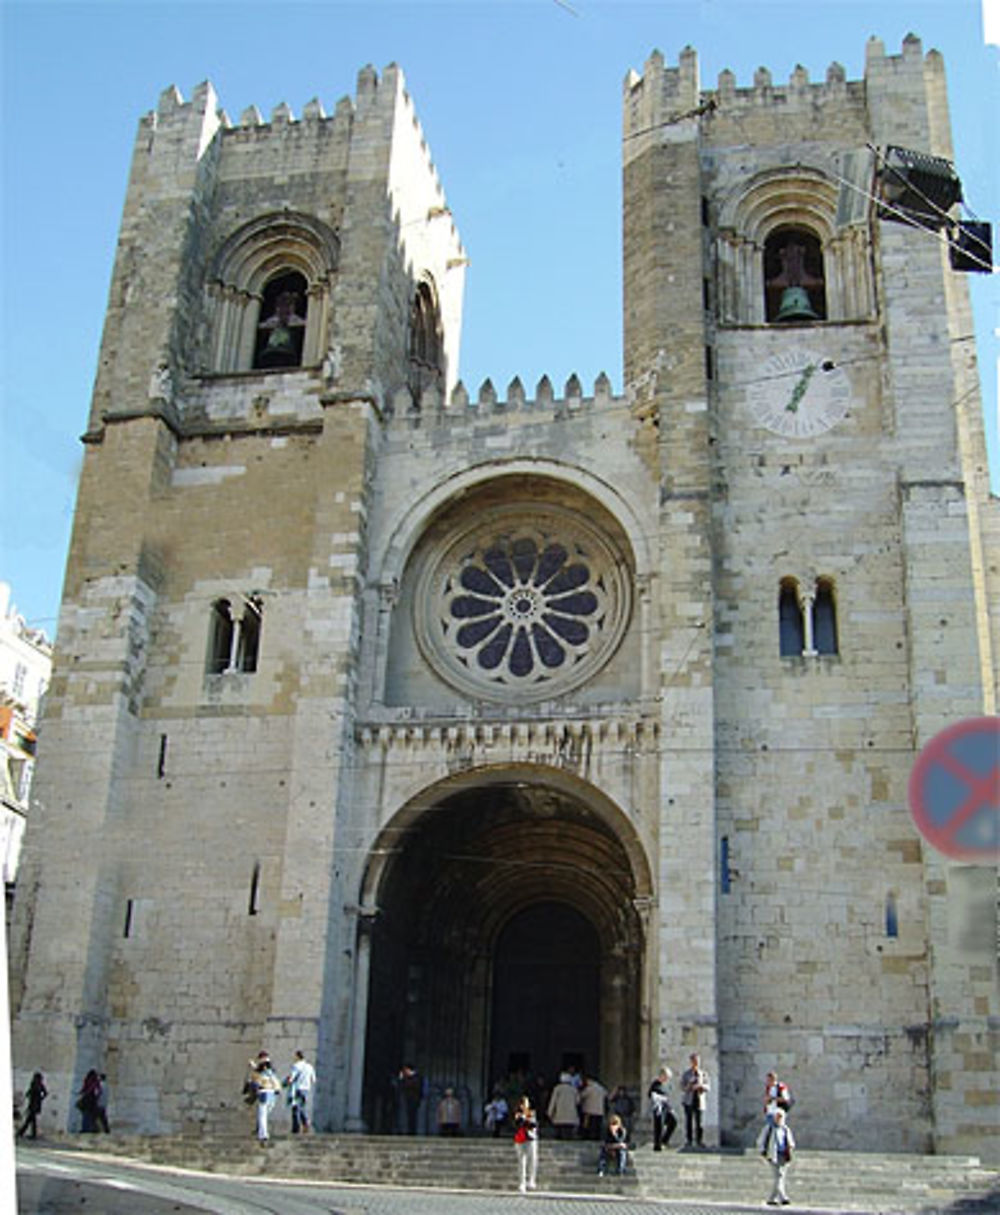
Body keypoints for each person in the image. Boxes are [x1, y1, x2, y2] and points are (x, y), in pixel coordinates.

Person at [757, 1104, 796, 1205]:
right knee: (779, 1175)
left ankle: (772, 1199)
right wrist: (763, 1151)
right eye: (777, 1117)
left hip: (783, 1155)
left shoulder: (785, 1129)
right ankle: (783, 1197)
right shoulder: (769, 1129)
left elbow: (790, 1142)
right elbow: (761, 1140)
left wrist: (790, 1150)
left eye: (780, 1117)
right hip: (773, 1154)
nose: (778, 1119)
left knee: (781, 1176)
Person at [249, 1051, 281, 1141]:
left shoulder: (264, 1067)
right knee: (264, 1114)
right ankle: (261, 1132)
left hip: (264, 1092)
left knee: (262, 1114)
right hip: (272, 1093)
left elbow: (259, 1073)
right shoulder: (271, 1069)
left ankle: (263, 1134)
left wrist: (253, 1066)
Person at [680, 1052, 709, 1148]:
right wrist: (690, 1085)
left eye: (697, 1061)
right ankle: (689, 1140)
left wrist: (701, 1086)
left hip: (699, 1100)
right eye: (694, 1061)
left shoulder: (703, 1074)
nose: (696, 1063)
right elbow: (682, 1087)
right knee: (689, 1121)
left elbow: (708, 1086)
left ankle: (699, 1141)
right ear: (691, 1062)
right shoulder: (686, 1074)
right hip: (689, 1100)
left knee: (699, 1122)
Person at [284, 1050, 316, 1134]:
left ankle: (296, 1128)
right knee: (301, 1107)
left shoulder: (296, 1066)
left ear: (298, 1057)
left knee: (295, 1108)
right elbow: (313, 1079)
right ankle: (305, 1122)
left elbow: (291, 1078)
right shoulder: (309, 1067)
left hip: (297, 1088)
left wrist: (285, 1083)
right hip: (306, 1089)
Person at [512, 1094, 539, 1193]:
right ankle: (522, 1182)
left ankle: (531, 1180)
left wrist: (526, 1120)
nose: (524, 1106)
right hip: (521, 1139)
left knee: (533, 1159)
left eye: (526, 1103)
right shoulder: (518, 1114)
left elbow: (533, 1125)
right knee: (522, 1162)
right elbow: (517, 1124)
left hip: (531, 1138)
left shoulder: (531, 1113)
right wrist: (523, 1119)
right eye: (523, 1104)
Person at [648, 1066, 678, 1150]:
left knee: (674, 1121)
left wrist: (670, 1107)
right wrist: (661, 1098)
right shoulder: (655, 1084)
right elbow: (651, 1095)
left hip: (666, 1108)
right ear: (662, 1075)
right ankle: (658, 1145)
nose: (667, 1079)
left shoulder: (664, 1085)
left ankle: (664, 1141)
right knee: (659, 1127)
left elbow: (667, 1097)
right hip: (658, 1108)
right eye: (666, 1077)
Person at [546, 1071, 580, 1140]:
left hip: (559, 1116)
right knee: (569, 1136)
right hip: (571, 1117)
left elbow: (553, 1101)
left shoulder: (557, 1088)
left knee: (560, 1136)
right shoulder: (574, 1089)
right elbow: (578, 1101)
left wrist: (549, 1113)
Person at [17, 1072, 48, 1139]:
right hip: (35, 1105)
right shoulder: (38, 1085)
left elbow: (44, 1093)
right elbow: (44, 1093)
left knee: (30, 1121)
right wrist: (40, 1098)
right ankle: (25, 1133)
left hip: (33, 1105)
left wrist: (39, 1098)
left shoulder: (36, 1084)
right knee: (31, 1121)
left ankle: (23, 1133)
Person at [579, 1074, 608, 1140]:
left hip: (589, 1110)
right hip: (599, 1110)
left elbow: (581, 1097)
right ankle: (596, 1137)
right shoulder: (601, 1088)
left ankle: (589, 1137)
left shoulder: (589, 1089)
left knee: (590, 1126)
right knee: (597, 1126)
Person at [398, 1064, 423, 1134]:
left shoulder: (416, 1077)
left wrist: (403, 1079)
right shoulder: (408, 1078)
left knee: (412, 1116)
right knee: (408, 1115)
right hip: (408, 1099)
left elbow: (414, 1087)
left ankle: (412, 1131)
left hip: (413, 1099)